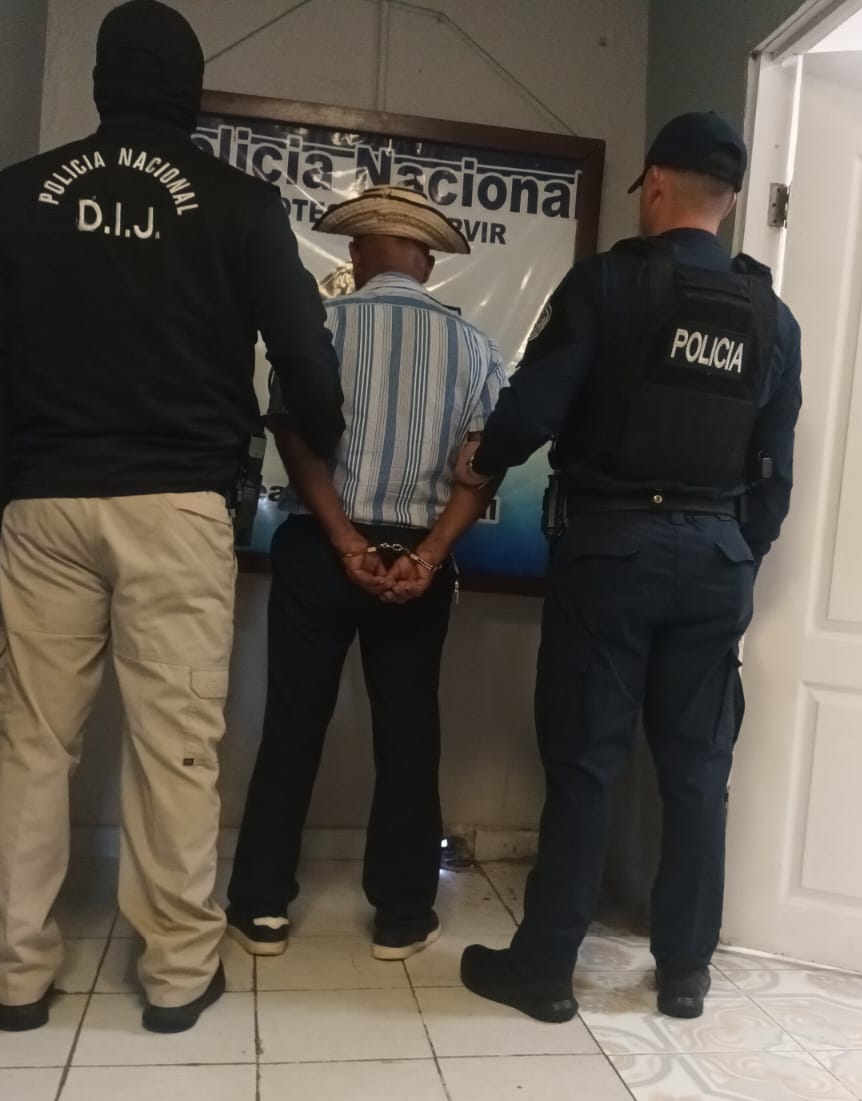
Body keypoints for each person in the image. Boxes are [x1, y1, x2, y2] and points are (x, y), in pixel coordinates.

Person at [0, 0, 344, 1035]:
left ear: (100, 85)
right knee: (175, 745)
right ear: (191, 94)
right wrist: (326, 437)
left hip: (45, 498)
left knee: (31, 742)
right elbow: (304, 357)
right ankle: (174, 974)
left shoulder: (18, 193)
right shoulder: (239, 204)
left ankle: (14, 976)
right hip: (177, 507)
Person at [454, 112, 803, 1022]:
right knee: (697, 771)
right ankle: (684, 972)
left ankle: (545, 971)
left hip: (611, 551)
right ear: (730, 202)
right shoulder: (773, 317)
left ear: (654, 184)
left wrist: (482, 458)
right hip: (717, 556)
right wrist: (737, 549)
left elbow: (534, 408)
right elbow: (776, 470)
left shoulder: (607, 284)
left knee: (586, 763)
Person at [227, 186, 508, 962]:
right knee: (409, 731)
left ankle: (261, 906)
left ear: (355, 255)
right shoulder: (475, 347)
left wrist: (347, 542)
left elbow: (294, 441)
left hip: (322, 546)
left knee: (293, 722)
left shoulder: (318, 329)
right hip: (419, 556)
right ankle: (403, 915)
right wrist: (429, 555)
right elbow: (480, 468)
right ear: (427, 262)